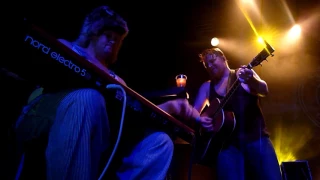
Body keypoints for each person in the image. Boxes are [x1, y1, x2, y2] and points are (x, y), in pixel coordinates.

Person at [15, 5, 210, 180]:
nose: (113, 40)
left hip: (103, 140)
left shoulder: (118, 82)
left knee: (160, 142)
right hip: (46, 118)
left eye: (118, 39)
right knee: (88, 98)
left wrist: (168, 107)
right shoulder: (67, 48)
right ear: (92, 33)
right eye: (108, 34)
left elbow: (130, 117)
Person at [193, 47, 282, 180]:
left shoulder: (242, 73)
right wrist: (202, 120)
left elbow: (264, 90)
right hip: (226, 147)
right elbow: (194, 112)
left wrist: (251, 79)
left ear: (223, 58)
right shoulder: (207, 87)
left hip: (256, 138)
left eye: (212, 61)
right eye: (207, 64)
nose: (210, 66)